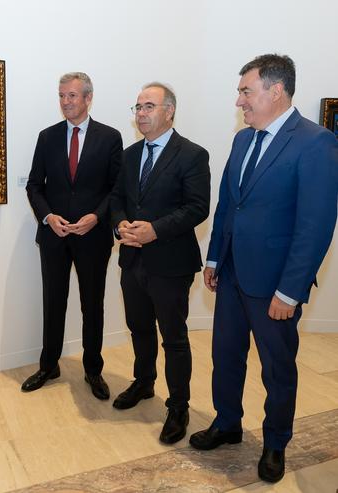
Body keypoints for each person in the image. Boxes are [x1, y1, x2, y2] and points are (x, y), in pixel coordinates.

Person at [189, 54, 338, 483]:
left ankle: (275, 443)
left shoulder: (316, 142)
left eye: (245, 91)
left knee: (276, 368)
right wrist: (215, 257)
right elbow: (228, 206)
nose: (239, 102)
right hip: (233, 273)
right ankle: (227, 423)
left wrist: (289, 292)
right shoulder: (242, 140)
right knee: (225, 357)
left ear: (276, 91)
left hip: (274, 284)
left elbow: (315, 227)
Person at [109, 83, 210, 444]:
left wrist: (155, 231)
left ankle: (178, 405)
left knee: (174, 338)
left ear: (169, 111)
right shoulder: (130, 154)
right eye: (137, 107)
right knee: (138, 327)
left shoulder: (192, 155)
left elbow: (198, 207)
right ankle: (144, 382)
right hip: (132, 258)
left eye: (148, 106)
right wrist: (118, 222)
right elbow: (117, 198)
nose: (140, 113)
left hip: (169, 262)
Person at [24, 72, 122, 398]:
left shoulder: (110, 138)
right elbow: (34, 186)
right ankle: (48, 365)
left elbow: (116, 189)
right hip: (54, 237)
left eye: (73, 96)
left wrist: (97, 217)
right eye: (62, 96)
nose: (66, 102)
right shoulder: (47, 136)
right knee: (53, 302)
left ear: (88, 98)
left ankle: (93, 370)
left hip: (92, 238)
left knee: (91, 305)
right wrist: (48, 217)